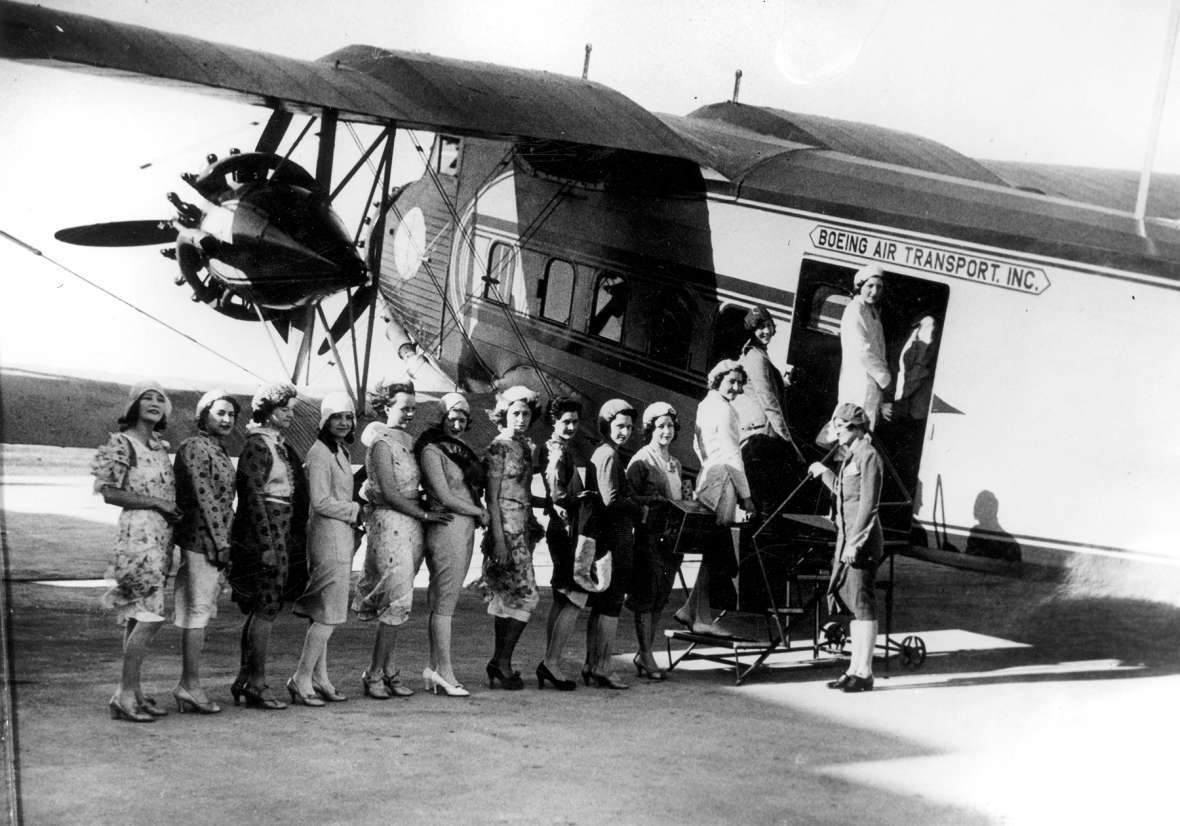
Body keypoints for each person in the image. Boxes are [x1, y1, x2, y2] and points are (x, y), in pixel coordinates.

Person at [353, 380, 452, 699]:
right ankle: (374, 674)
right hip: (390, 521)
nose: (409, 413)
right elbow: (391, 493)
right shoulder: (380, 443)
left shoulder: (410, 440)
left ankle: (390, 670)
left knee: (401, 600)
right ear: (386, 407)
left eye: (413, 408)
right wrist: (425, 515)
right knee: (396, 599)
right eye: (403, 407)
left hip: (412, 527)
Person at [92, 380, 179, 722]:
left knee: (139, 615)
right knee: (150, 615)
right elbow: (109, 492)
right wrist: (157, 502)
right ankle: (124, 693)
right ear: (134, 405)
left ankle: (135, 691)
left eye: (161, 397)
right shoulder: (122, 443)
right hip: (138, 534)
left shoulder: (158, 447)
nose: (155, 402)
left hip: (160, 534)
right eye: (147, 397)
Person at [228, 381, 309, 711]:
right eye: (282, 409)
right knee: (266, 610)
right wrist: (266, 544)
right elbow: (251, 498)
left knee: (265, 608)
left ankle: (246, 678)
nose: (288, 415)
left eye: (290, 409)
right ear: (267, 411)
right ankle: (256, 683)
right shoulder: (259, 446)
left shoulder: (273, 443)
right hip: (266, 533)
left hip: (278, 530)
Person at [288, 392, 362, 707]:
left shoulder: (339, 451)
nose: (343, 423)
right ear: (325, 421)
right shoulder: (319, 453)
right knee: (329, 614)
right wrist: (356, 509)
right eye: (337, 417)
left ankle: (320, 678)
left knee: (323, 612)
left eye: (348, 417)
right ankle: (301, 677)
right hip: (327, 538)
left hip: (338, 537)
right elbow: (319, 501)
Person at [674, 360, 758, 637]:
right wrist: (746, 497)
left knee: (712, 549)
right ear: (718, 380)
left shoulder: (705, 405)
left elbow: (697, 445)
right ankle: (702, 618)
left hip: (708, 477)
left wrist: (709, 464)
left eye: (739, 383)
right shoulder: (724, 410)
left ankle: (691, 610)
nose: (736, 387)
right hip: (723, 484)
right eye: (731, 381)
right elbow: (733, 456)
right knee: (716, 550)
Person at [171, 388, 240, 714]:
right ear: (204, 415)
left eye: (231, 415)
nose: (227, 419)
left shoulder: (217, 449)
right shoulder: (195, 447)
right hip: (201, 541)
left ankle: (190, 684)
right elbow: (205, 499)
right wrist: (223, 542)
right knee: (196, 613)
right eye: (220, 413)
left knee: (199, 613)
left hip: (212, 540)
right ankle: (189, 685)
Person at [415, 392, 488, 697]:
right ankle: (444, 671)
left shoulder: (462, 449)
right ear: (442, 416)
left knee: (445, 601)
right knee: (444, 603)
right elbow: (444, 496)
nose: (458, 422)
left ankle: (435, 668)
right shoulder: (432, 450)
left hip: (463, 527)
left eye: (463, 417)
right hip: (448, 526)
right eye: (453, 416)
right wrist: (479, 512)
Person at [808, 403, 884, 693]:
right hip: (847, 538)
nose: (835, 433)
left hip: (860, 541)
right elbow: (845, 495)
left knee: (863, 603)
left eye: (839, 428)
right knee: (853, 605)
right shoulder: (851, 456)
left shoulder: (869, 455)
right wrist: (825, 473)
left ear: (855, 428)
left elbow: (869, 504)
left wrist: (856, 542)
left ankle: (865, 673)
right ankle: (853, 669)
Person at [481, 385, 544, 690]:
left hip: (523, 528)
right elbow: (491, 498)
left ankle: (499, 663)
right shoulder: (499, 447)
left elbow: (524, 492)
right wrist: (499, 539)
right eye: (515, 413)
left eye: (526, 414)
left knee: (509, 597)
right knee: (528, 595)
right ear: (504, 415)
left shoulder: (524, 446)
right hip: (506, 529)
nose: (521, 419)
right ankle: (501, 662)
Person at [624, 401, 685, 680]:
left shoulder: (675, 463)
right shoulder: (641, 460)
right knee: (646, 596)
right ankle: (646, 653)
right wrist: (653, 502)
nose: (666, 431)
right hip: (648, 538)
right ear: (650, 429)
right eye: (661, 426)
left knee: (661, 595)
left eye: (670, 426)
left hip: (671, 538)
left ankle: (645, 652)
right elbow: (628, 497)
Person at [583, 398, 641, 690]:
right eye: (619, 426)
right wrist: (639, 507)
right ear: (606, 424)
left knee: (603, 604)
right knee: (611, 604)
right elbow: (611, 500)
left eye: (629, 427)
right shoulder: (608, 456)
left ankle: (592, 664)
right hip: (614, 540)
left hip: (610, 539)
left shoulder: (606, 453)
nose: (625, 432)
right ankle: (603, 666)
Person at [536, 396, 588, 691]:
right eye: (565, 421)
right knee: (575, 597)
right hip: (567, 529)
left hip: (559, 530)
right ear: (553, 422)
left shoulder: (554, 447)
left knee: (561, 596)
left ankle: (550, 660)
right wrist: (582, 498)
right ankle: (551, 663)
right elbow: (557, 495)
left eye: (575, 422)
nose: (570, 427)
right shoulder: (557, 451)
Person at [736, 305, 804, 514]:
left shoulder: (756, 353)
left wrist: (782, 382)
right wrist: (787, 440)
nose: (766, 331)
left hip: (761, 437)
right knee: (765, 501)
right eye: (760, 328)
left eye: (768, 326)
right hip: (763, 438)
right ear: (751, 331)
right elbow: (768, 401)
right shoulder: (756, 357)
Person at [837, 264, 891, 429]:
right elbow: (863, 351)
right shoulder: (855, 311)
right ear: (860, 286)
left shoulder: (871, 311)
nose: (875, 292)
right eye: (870, 286)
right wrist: (886, 380)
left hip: (870, 384)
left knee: (862, 437)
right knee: (852, 435)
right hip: (859, 385)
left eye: (879, 287)